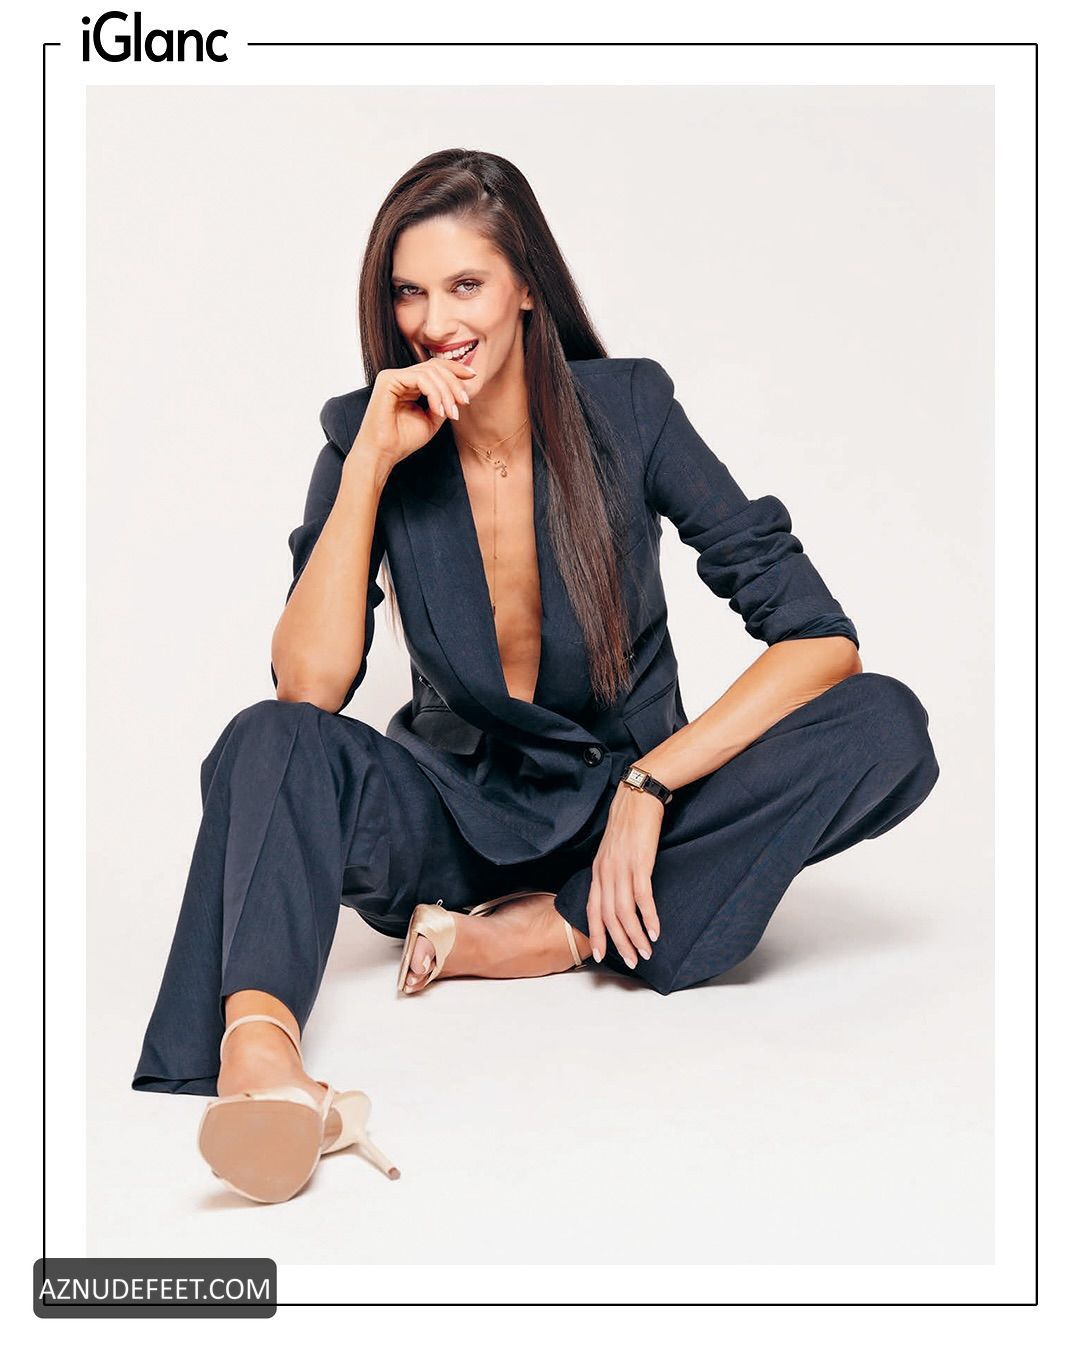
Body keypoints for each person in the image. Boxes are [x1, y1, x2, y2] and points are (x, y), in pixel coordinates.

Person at [132, 148, 940, 1203]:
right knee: (265, 738)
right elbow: (308, 687)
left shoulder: (631, 409)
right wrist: (369, 463)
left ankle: (550, 933)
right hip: (453, 826)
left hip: (631, 831)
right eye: (409, 293)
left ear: (524, 286)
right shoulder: (363, 434)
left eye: (464, 284)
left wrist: (651, 782)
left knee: (884, 724)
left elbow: (820, 640)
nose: (434, 321)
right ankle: (263, 1064)